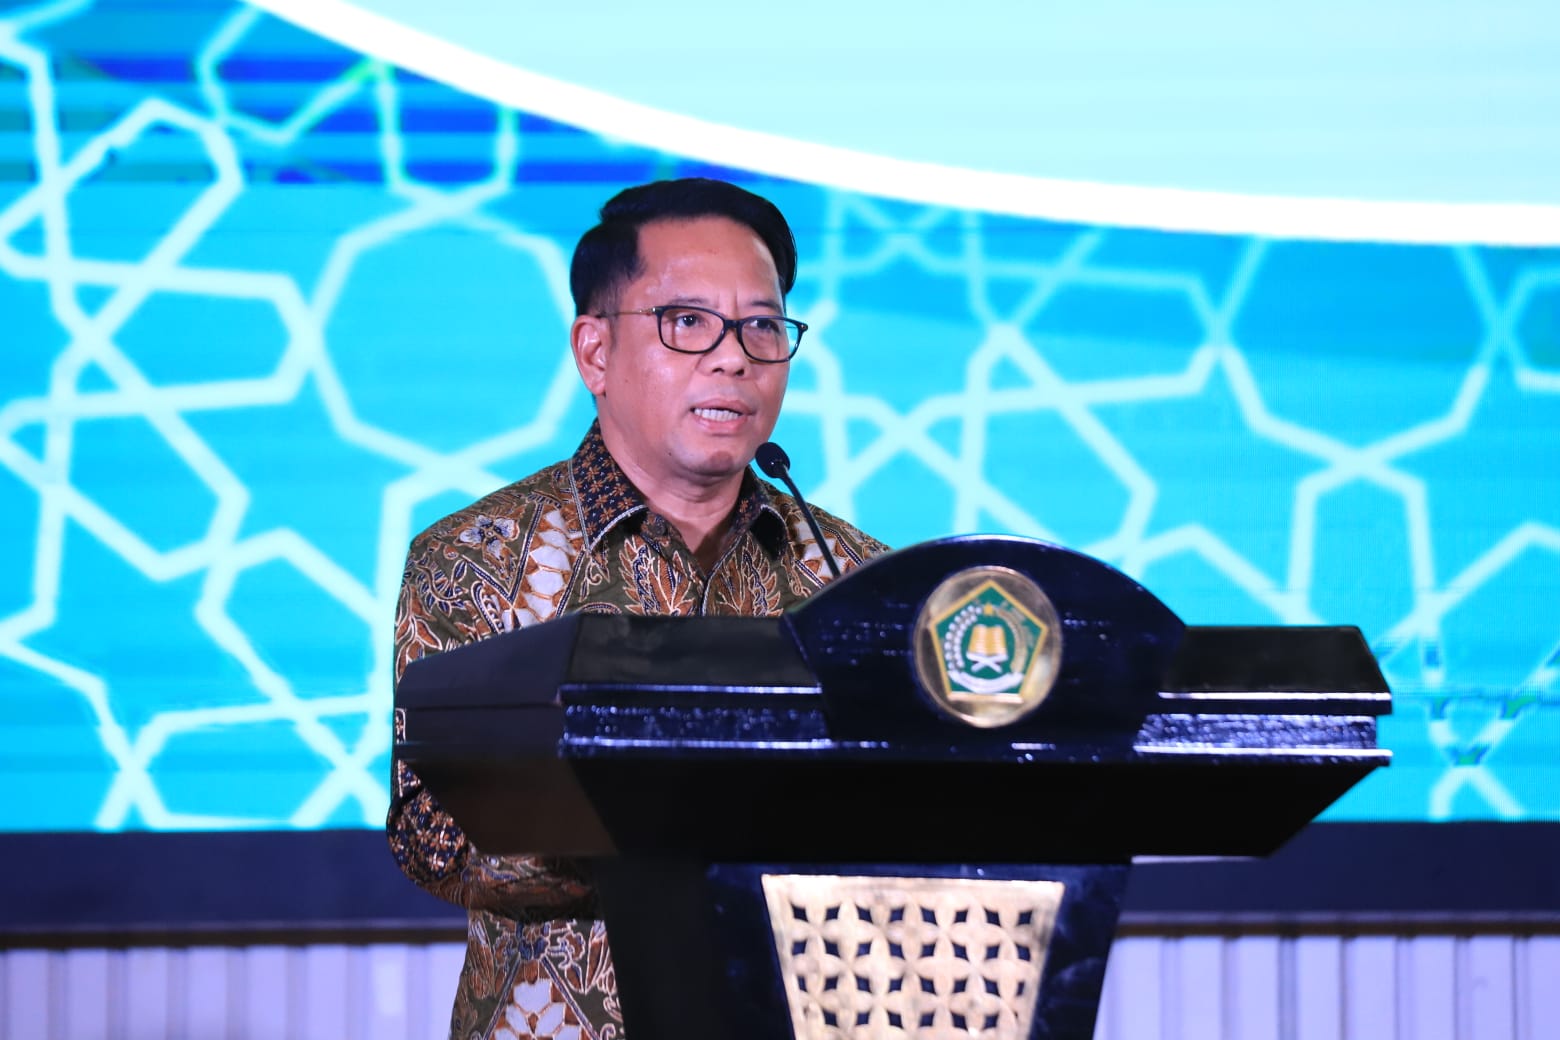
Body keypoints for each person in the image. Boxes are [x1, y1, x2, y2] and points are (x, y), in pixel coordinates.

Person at [388, 178, 889, 1040]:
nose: (734, 358)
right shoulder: (476, 559)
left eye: (763, 326)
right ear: (594, 352)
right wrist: (687, 825)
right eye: (688, 322)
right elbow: (434, 836)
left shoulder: (853, 575)